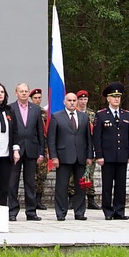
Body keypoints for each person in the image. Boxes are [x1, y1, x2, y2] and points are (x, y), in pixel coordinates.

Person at [93, 82, 129, 220]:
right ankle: (108, 211)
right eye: (113, 97)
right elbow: (97, 137)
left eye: (118, 96)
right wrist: (99, 155)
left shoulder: (126, 115)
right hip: (107, 155)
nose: (116, 99)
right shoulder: (101, 115)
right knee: (107, 185)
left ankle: (119, 210)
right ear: (108, 99)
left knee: (121, 185)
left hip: (122, 155)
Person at [47, 92, 93, 220]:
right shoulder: (56, 117)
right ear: (64, 102)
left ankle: (79, 212)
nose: (72, 103)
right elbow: (51, 139)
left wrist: (89, 156)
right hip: (63, 157)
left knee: (80, 186)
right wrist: (53, 157)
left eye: (74, 100)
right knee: (62, 186)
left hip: (81, 156)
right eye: (69, 100)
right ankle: (61, 212)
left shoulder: (84, 117)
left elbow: (88, 138)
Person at [8, 83, 45, 221]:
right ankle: (12, 211)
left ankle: (31, 211)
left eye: (26, 91)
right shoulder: (10, 108)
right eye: (21, 91)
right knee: (13, 182)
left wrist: (41, 151)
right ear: (16, 93)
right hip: (15, 151)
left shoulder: (35, 109)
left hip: (31, 149)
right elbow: (9, 132)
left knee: (30, 182)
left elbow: (40, 131)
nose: (24, 93)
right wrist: (11, 149)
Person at [74, 90, 100, 210]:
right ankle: (72, 198)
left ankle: (91, 199)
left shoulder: (92, 114)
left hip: (90, 147)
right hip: (77, 147)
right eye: (81, 99)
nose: (83, 102)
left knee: (89, 173)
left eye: (85, 99)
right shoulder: (74, 112)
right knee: (73, 176)